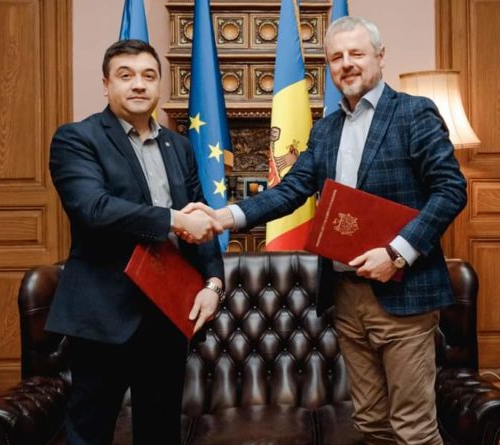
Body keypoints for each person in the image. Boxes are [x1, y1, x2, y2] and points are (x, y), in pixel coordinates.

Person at [184, 16, 467, 445]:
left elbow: (450, 190)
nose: (346, 63)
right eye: (336, 57)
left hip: (404, 294)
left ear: (380, 57)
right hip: (346, 296)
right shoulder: (326, 129)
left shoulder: (414, 113)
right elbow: (291, 190)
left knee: (413, 429)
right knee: (371, 422)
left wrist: (396, 253)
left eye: (356, 53)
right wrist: (223, 217)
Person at [46, 39, 225, 445]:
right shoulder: (77, 138)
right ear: (106, 84)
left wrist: (213, 283)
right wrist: (174, 219)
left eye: (148, 75)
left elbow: (199, 219)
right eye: (125, 76)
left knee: (160, 431)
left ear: (160, 84)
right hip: (103, 316)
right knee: (89, 432)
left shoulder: (179, 146)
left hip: (166, 315)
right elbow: (94, 209)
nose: (139, 84)